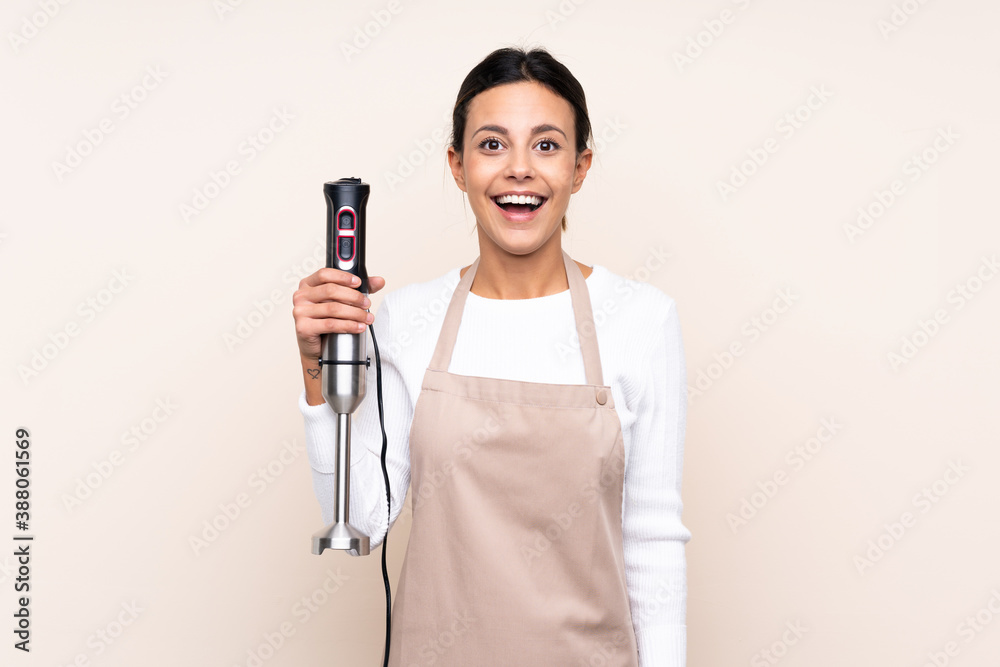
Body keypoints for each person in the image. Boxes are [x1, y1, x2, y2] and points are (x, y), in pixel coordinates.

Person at [292, 46, 691, 667]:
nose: (520, 170)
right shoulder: (401, 321)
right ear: (458, 165)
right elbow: (364, 519)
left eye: (548, 145)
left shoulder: (641, 319)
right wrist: (318, 367)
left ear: (581, 167)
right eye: (493, 144)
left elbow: (654, 539)